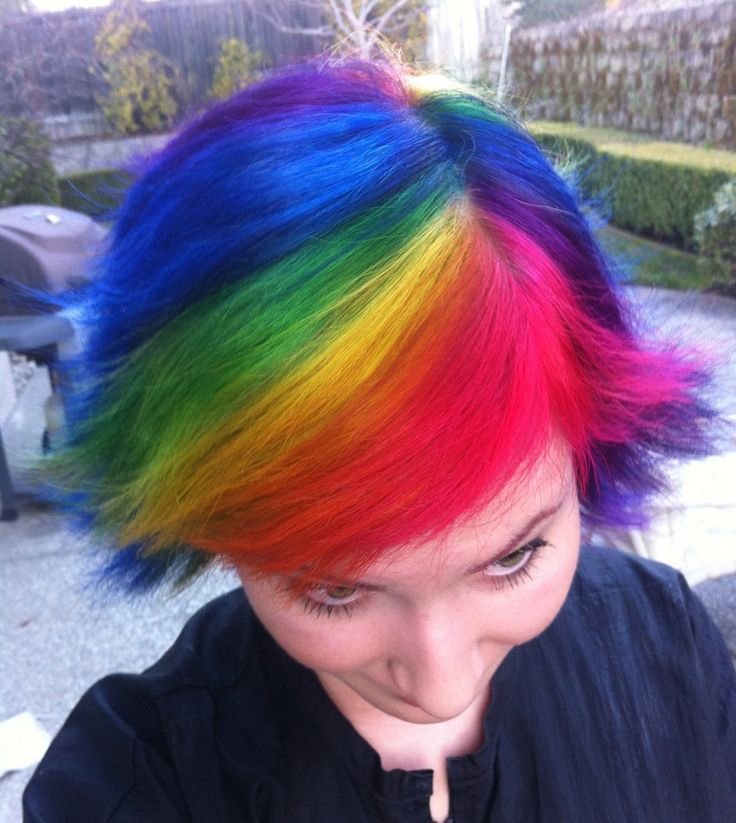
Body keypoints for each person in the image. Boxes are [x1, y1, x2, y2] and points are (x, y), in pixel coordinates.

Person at [24, 59, 735, 822]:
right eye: (335, 588)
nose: (441, 686)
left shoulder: (665, 646)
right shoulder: (133, 783)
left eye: (513, 557)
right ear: (210, 520)